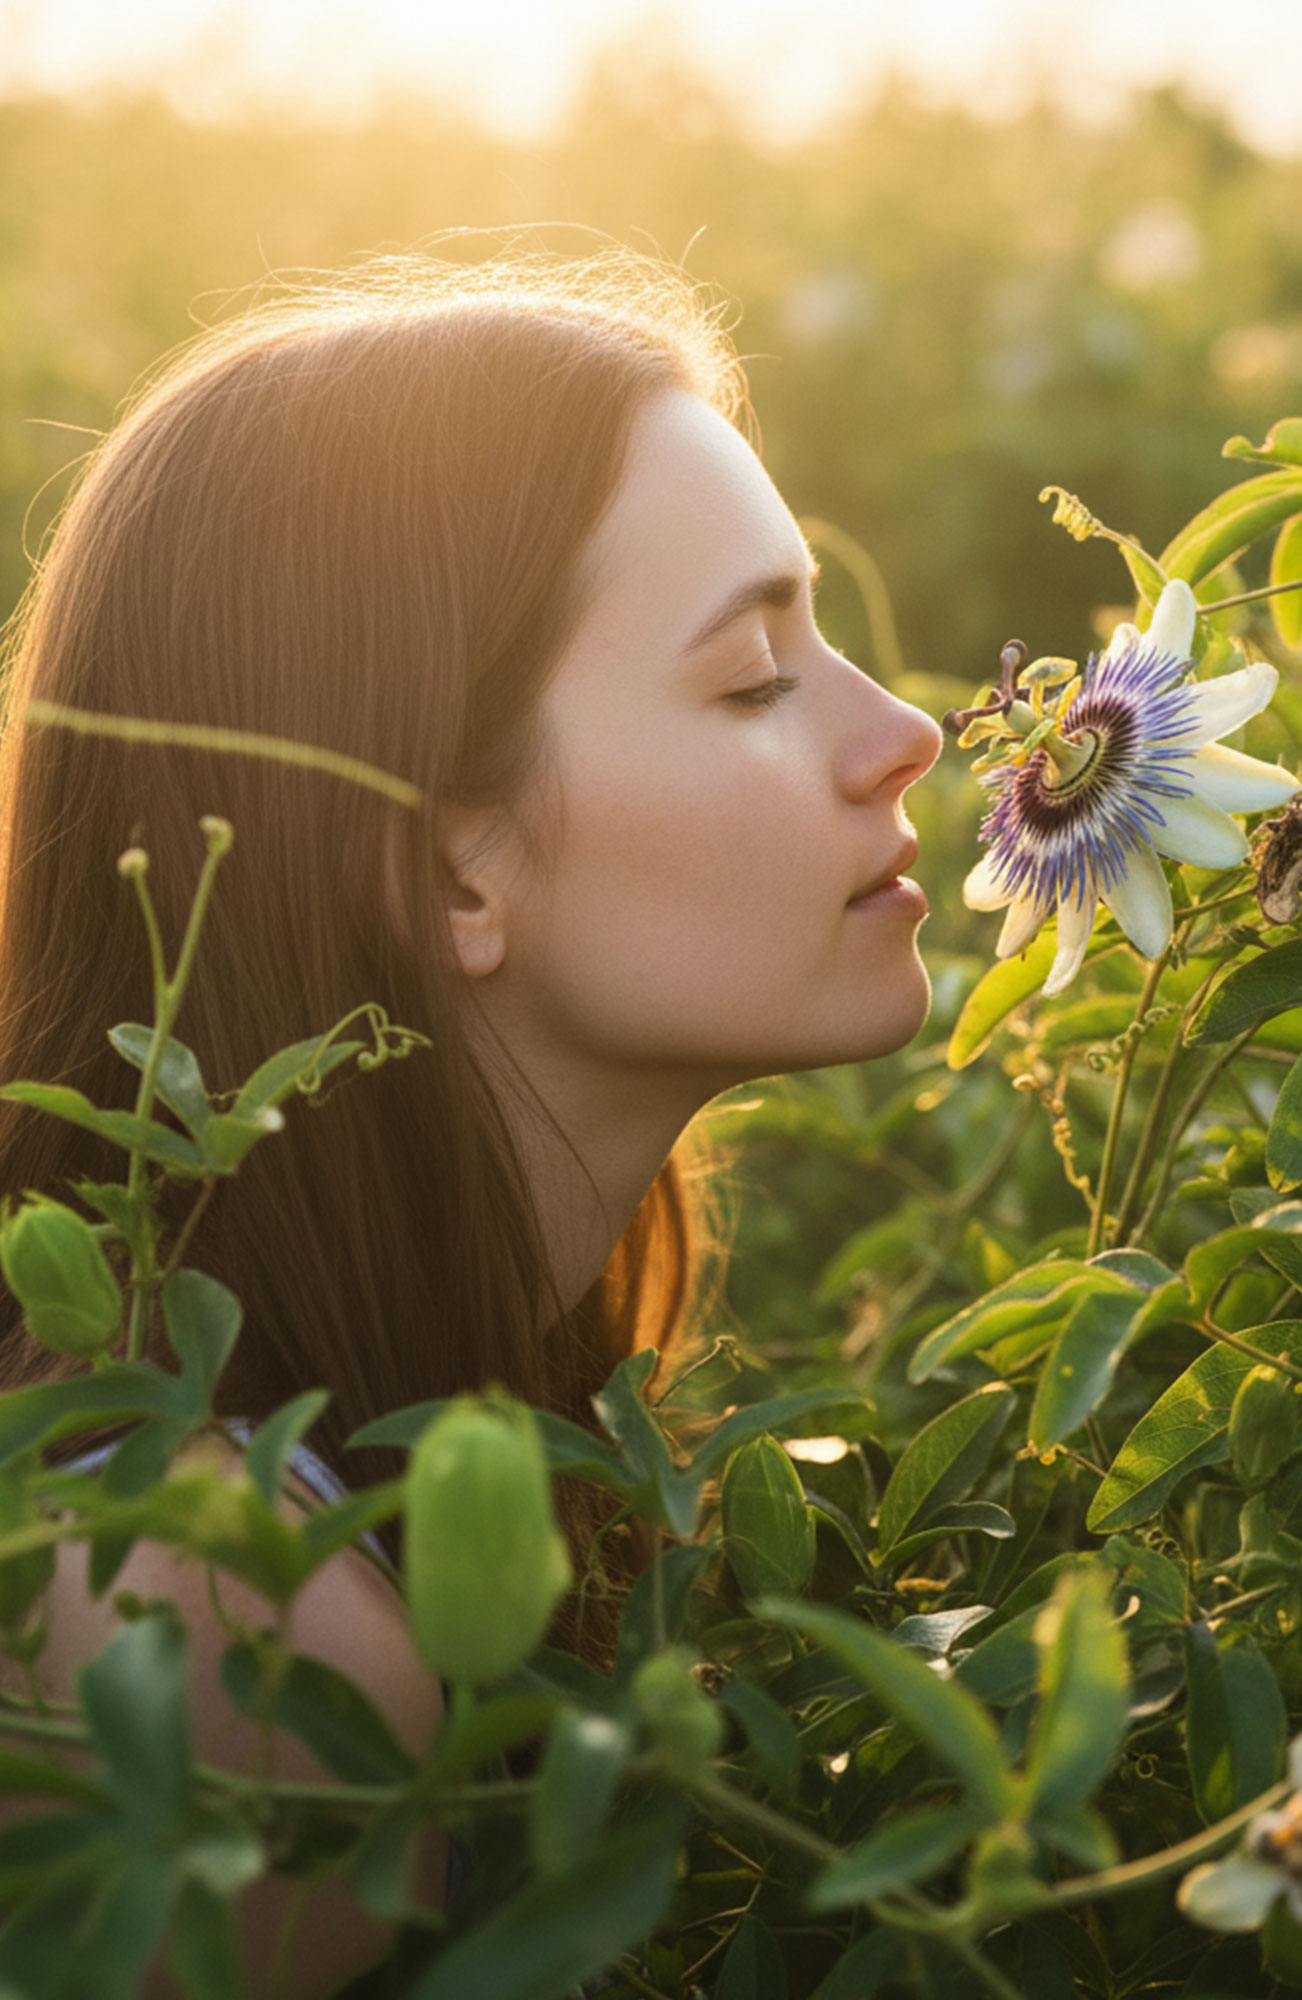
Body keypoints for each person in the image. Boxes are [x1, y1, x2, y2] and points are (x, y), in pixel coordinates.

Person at [0, 250, 943, 1992]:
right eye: (753, 678)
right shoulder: (244, 1648)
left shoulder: (399, 1444)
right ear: (451, 865)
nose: (910, 734)